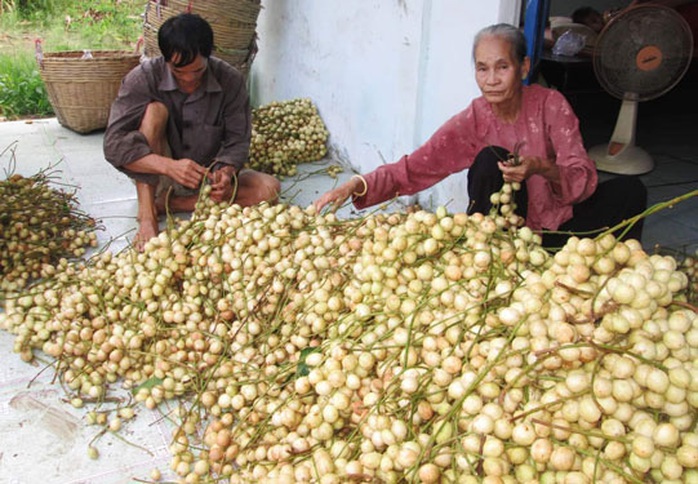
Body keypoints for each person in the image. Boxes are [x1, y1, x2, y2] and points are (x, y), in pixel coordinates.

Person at [314, 23, 647, 250]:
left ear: (524, 67)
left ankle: (603, 272)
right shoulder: (473, 120)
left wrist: (541, 167)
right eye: (481, 68)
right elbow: (414, 168)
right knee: (490, 158)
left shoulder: (551, 105)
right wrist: (355, 185)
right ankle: (494, 260)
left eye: (502, 67)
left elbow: (582, 179)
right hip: (508, 241)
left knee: (631, 191)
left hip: (561, 227)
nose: (491, 80)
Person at [104, 13, 280, 250]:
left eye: (197, 71)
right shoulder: (143, 78)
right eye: (179, 72)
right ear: (165, 60)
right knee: (154, 113)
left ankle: (174, 203)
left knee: (268, 190)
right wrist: (168, 166)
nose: (188, 79)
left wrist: (226, 172)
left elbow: (238, 141)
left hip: (205, 177)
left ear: (210, 55)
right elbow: (114, 146)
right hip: (159, 174)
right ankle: (148, 213)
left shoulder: (230, 80)